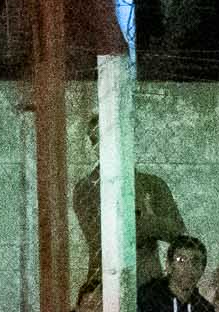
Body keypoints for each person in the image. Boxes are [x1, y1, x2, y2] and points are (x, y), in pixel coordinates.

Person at [73, 120, 187, 284]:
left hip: (147, 281)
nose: (114, 147)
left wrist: (139, 221)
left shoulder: (153, 184)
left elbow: (178, 234)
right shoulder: (86, 187)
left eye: (120, 139)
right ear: (95, 147)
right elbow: (104, 238)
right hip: (105, 281)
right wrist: (149, 221)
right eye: (104, 140)